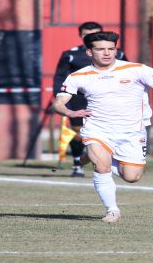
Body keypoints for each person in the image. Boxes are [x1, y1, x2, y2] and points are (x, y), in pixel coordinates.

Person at [53, 31, 153, 223]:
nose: (107, 53)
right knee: (101, 165)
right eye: (101, 49)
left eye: (111, 49)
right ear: (89, 52)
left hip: (132, 132)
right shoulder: (78, 76)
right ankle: (112, 210)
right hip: (98, 129)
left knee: (132, 177)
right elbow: (59, 102)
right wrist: (69, 112)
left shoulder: (137, 69)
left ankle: (90, 156)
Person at [52, 21, 148, 177]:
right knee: (78, 134)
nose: (106, 52)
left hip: (108, 101)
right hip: (79, 100)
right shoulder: (70, 54)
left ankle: (98, 157)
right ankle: (78, 162)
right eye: (85, 34)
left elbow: (129, 71)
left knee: (103, 136)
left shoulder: (117, 53)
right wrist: (60, 98)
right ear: (81, 36)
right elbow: (59, 78)